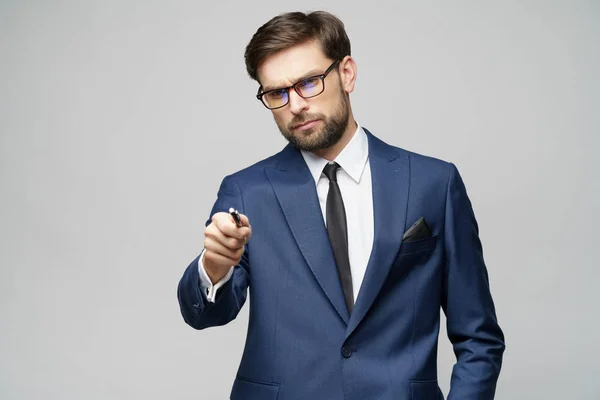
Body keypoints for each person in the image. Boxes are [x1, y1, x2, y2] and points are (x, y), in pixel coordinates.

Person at [177, 10, 505, 400]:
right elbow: (205, 314)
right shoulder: (248, 191)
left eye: (309, 83)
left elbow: (479, 338)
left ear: (346, 73)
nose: (295, 105)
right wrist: (215, 267)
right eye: (277, 93)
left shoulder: (433, 183)